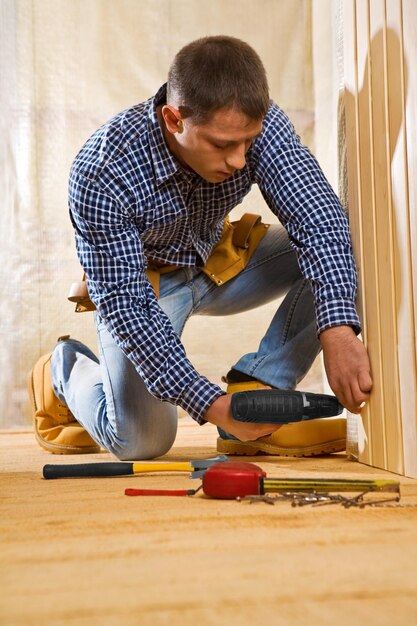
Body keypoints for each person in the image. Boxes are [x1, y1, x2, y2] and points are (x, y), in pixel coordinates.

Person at [28, 35, 372, 459]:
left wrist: (337, 328)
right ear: (174, 119)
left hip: (218, 264)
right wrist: (212, 404)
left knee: (348, 246)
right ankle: (64, 369)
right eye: (223, 145)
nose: (240, 160)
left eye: (248, 142)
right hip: (146, 289)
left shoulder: (250, 123)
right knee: (140, 441)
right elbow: (128, 306)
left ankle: (261, 382)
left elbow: (319, 220)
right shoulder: (102, 172)